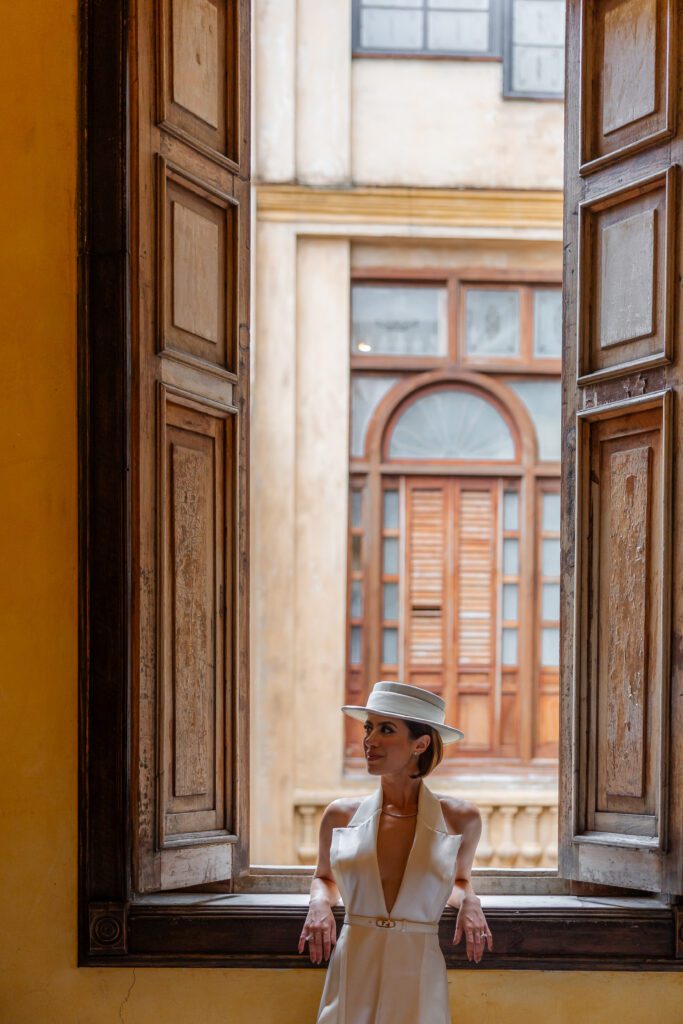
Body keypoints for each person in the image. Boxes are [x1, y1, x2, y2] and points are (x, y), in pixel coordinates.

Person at [298, 680, 493, 1024]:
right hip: (355, 958)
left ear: (420, 743)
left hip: (417, 963)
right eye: (369, 728)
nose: (370, 741)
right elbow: (324, 878)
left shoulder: (461, 819)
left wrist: (470, 902)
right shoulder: (340, 816)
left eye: (386, 729)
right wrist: (318, 904)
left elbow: (457, 881)